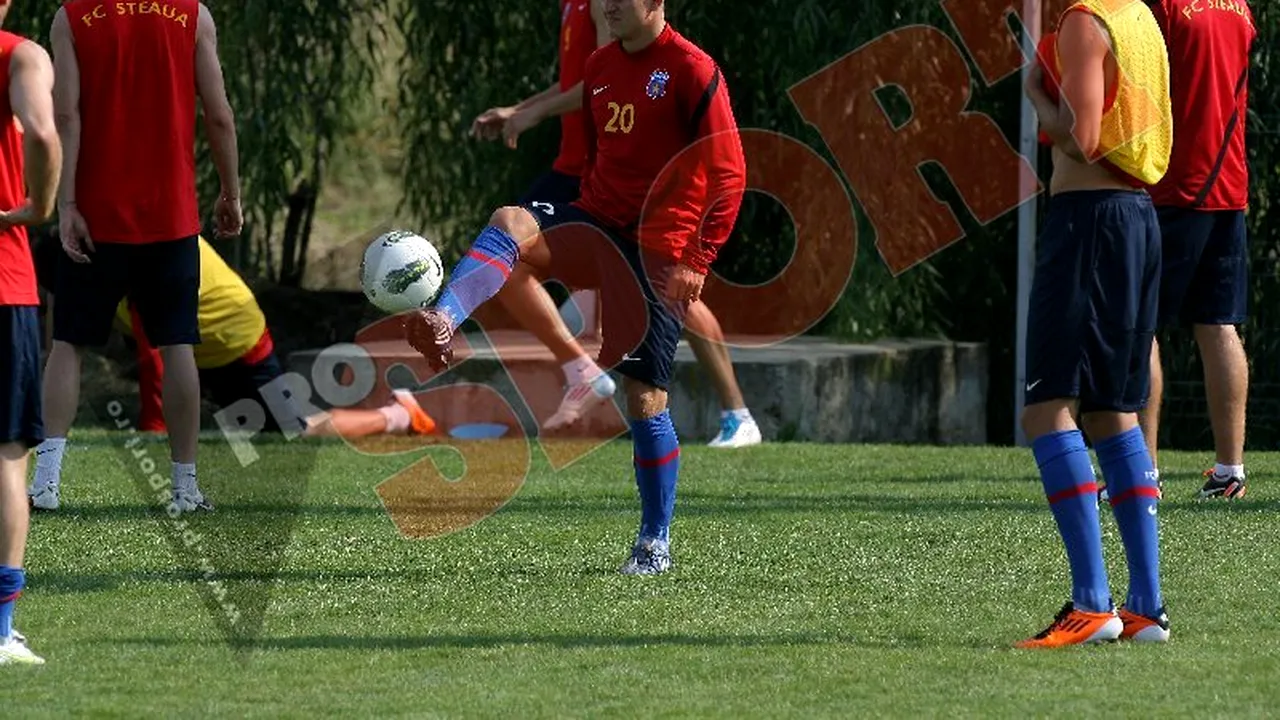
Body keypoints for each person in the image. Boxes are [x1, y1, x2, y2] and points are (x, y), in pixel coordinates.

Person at [406, 0, 746, 573]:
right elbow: (596, 157)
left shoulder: (692, 69)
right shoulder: (603, 66)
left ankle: (653, 542)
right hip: (596, 220)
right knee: (509, 221)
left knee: (643, 397)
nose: (608, 5)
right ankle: (444, 318)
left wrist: (698, 258)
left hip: (657, 246)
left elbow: (730, 171)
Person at [471, 0, 761, 448]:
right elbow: (586, 80)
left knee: (668, 289)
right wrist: (524, 109)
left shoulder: (607, 10)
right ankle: (585, 369)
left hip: (605, 179)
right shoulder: (576, 6)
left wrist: (533, 114)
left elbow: (608, 80)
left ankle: (732, 410)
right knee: (505, 248)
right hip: (585, 172)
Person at [26, 236, 438, 511]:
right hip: (199, 347)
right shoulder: (92, 251)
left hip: (236, 341)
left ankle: (398, 415)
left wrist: (152, 429)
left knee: (292, 429)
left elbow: (156, 353)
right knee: (242, 433)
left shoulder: (127, 252)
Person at [32, 0, 241, 514]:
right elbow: (219, 114)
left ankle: (46, 483)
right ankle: (184, 488)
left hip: (98, 214)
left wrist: (68, 204)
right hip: (170, 217)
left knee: (68, 343)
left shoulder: (73, 16)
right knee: (177, 347)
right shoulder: (193, 16)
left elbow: (65, 113)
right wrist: (230, 193)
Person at [1019, 0, 1171, 648]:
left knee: (1048, 407)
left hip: (1087, 226)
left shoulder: (1085, 21)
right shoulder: (1140, 17)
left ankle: (1091, 603)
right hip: (1137, 221)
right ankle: (1145, 607)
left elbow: (1081, 136)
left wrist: (1036, 98)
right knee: (1114, 411)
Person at [1137, 0, 1255, 500]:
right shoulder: (1240, 7)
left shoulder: (1164, 6)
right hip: (1229, 185)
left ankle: (1141, 476)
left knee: (1139, 323)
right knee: (1218, 323)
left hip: (1175, 185)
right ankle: (1230, 470)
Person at [0, 0, 62, 665]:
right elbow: (42, 135)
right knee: (7, 453)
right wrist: (33, 208)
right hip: (3, 278)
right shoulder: (19, 53)